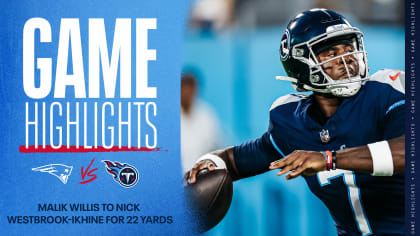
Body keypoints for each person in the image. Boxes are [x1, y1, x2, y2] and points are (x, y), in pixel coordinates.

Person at [184, 8, 405, 236]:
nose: (346, 58)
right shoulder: (293, 121)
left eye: (349, 48)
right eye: (330, 52)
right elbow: (237, 160)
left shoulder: (385, 92)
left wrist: (328, 159)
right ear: (300, 63)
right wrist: (210, 163)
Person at [181, 71, 224, 172]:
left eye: (191, 88)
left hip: (201, 180)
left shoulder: (207, 115)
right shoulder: (168, 118)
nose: (188, 92)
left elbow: (219, 147)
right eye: (184, 88)